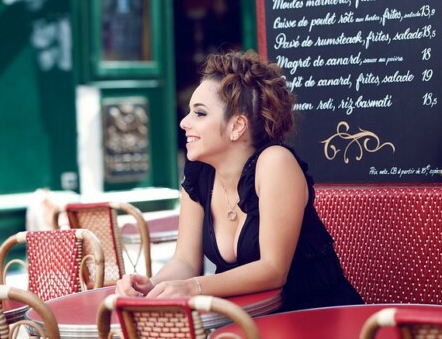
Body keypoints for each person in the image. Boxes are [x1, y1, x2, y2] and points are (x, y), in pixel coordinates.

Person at [115, 50, 363, 311]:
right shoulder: (200, 172)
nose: (184, 122)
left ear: (237, 126)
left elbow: (273, 269)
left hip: (314, 316)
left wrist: (195, 286)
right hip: (246, 320)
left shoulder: (275, 163)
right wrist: (149, 287)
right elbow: (186, 262)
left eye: (199, 113)